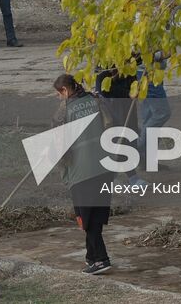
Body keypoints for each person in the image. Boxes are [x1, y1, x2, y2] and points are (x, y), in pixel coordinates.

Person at [54, 74, 113, 275]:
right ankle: (92, 257)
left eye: (58, 94)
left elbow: (60, 148)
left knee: (87, 219)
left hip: (82, 172)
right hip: (105, 168)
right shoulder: (96, 100)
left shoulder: (64, 113)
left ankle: (101, 259)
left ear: (65, 90)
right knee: (96, 216)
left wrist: (65, 176)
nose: (59, 99)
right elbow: (111, 125)